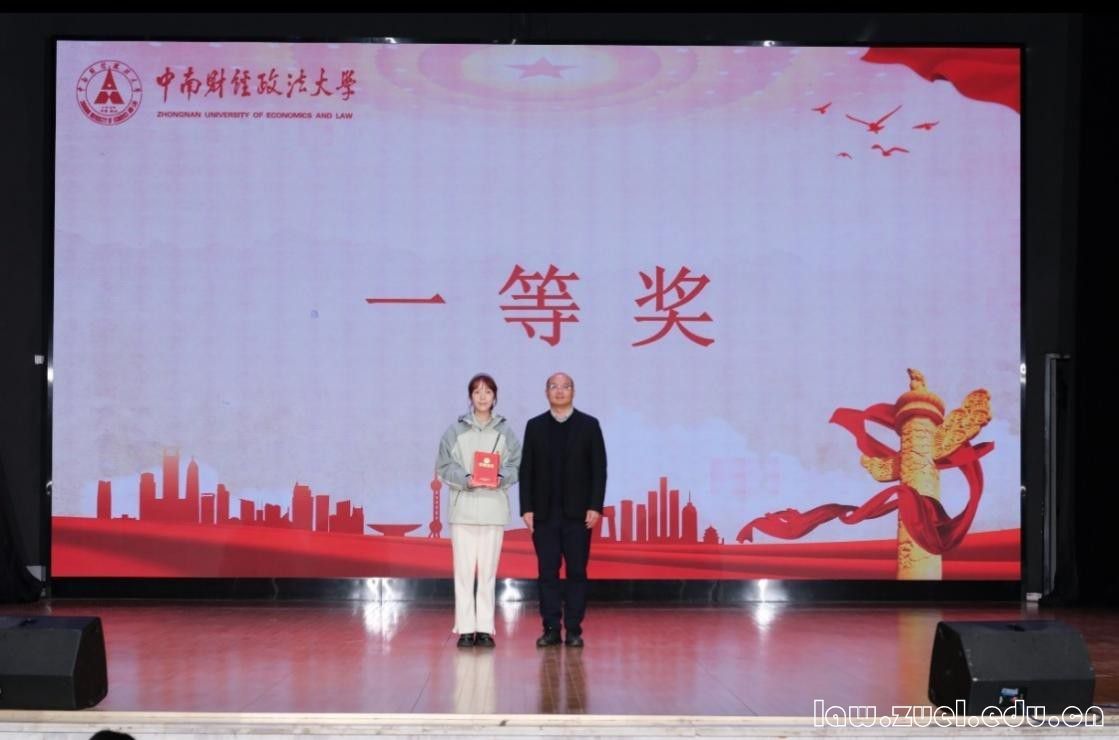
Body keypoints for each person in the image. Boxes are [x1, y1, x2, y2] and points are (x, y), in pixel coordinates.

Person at [518, 372, 606, 648]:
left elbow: (599, 470)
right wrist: (526, 508)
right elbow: (526, 469)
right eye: (554, 387)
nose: (559, 391)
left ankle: (574, 629)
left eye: (565, 386)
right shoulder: (535, 426)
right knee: (548, 573)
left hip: (578, 515)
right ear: (546, 392)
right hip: (544, 515)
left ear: (573, 391)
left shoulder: (589, 425)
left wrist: (595, 506)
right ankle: (551, 628)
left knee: (577, 572)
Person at [436, 373, 521, 648]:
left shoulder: (505, 432)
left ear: (495, 397)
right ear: (470, 397)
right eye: (477, 392)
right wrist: (466, 479)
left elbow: (516, 465)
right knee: (463, 573)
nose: (482, 397)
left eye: (487, 392)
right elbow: (444, 466)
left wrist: (500, 478)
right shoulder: (454, 431)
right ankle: (465, 628)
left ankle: (484, 628)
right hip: (463, 511)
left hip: (493, 510)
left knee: (487, 573)